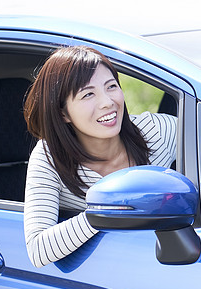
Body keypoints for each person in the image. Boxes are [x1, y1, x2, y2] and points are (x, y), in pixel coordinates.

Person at [23, 45, 176, 268]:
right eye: (88, 94)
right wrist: (106, 210)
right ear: (63, 112)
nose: (107, 102)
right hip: (105, 274)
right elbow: (38, 250)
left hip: (167, 264)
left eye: (111, 86)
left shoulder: (155, 132)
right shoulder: (50, 158)